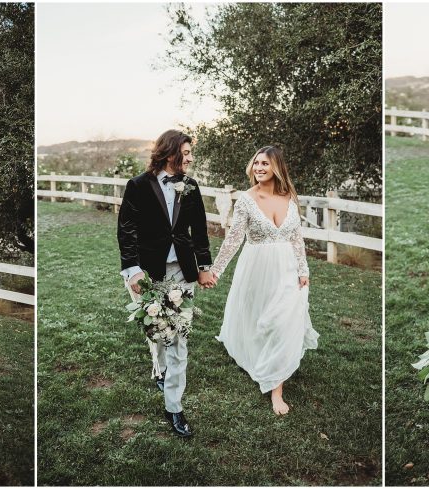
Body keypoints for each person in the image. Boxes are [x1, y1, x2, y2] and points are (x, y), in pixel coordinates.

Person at [117, 129, 215, 437]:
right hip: (147, 272)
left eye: (190, 153)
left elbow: (199, 229)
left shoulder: (191, 186)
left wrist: (203, 267)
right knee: (156, 330)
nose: (190, 158)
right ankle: (157, 368)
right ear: (169, 153)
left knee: (178, 336)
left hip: (181, 272)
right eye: (185, 153)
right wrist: (133, 270)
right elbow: (127, 230)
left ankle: (174, 405)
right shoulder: (138, 186)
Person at [210, 146, 317, 415]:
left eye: (265, 164)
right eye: (256, 163)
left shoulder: (290, 197)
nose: (259, 168)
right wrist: (216, 271)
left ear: (276, 168)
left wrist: (303, 269)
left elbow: (296, 237)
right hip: (256, 267)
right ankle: (259, 355)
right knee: (260, 318)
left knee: (282, 322)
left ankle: (276, 389)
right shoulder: (246, 199)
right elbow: (234, 237)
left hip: (287, 269)